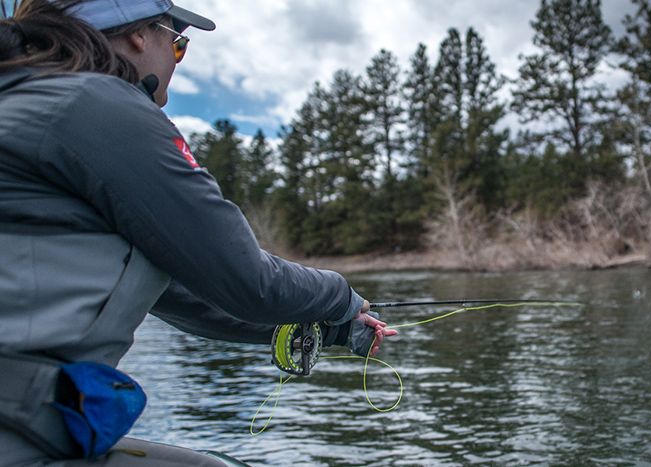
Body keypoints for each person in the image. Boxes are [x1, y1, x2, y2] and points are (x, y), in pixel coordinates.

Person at [0, 0, 397, 465]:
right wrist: (341, 296)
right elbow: (248, 281)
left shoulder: (30, 100)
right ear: (139, 36)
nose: (175, 58)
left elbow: (184, 294)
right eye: (179, 43)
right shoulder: (93, 104)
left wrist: (330, 330)